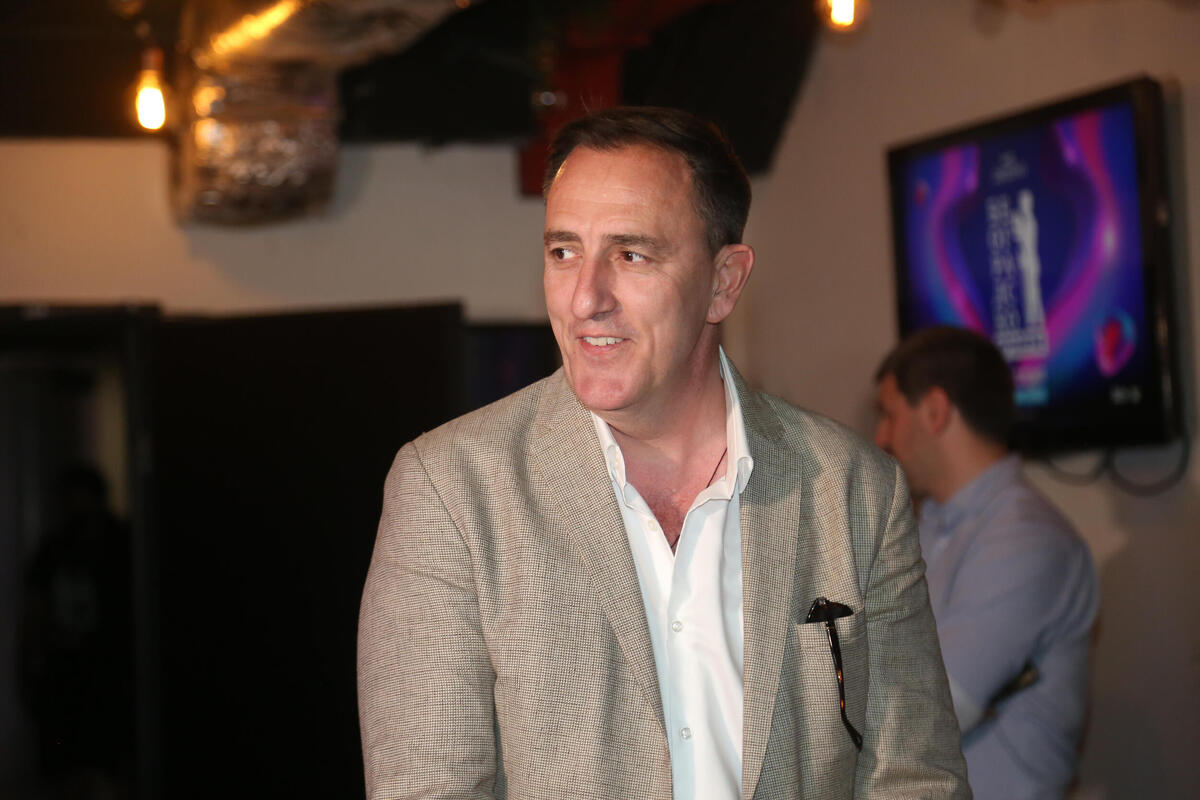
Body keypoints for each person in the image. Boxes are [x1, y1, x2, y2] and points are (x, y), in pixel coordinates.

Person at [358, 107, 969, 800]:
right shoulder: (452, 489)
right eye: (563, 252)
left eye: (631, 255)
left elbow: (916, 778)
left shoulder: (853, 487)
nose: (585, 299)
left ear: (724, 282)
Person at [873, 326, 1099, 800]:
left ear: (935, 411)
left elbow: (928, 714)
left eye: (889, 415)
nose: (881, 437)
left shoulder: (1028, 539)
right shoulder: (924, 525)